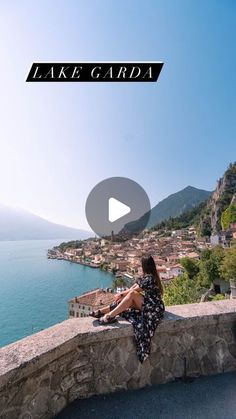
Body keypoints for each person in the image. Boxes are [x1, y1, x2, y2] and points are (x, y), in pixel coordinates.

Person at [90, 255, 165, 363]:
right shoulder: (145, 277)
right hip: (149, 304)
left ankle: (110, 316)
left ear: (145, 266)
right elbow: (132, 288)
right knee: (126, 300)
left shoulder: (150, 278)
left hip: (155, 308)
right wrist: (122, 296)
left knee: (131, 295)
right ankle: (102, 311)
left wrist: (120, 294)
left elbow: (135, 291)